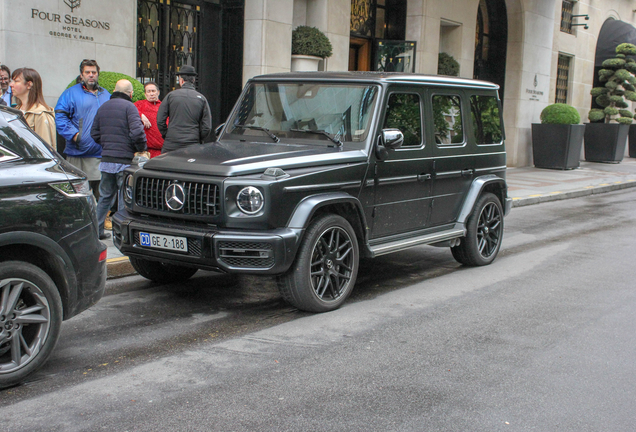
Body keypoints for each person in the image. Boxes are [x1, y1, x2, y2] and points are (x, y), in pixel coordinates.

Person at [91, 79, 147, 240]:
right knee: (124, 198)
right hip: (124, 160)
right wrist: (140, 148)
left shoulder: (103, 107)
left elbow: (94, 133)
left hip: (106, 160)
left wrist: (107, 144)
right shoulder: (130, 107)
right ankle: (122, 234)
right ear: (130, 93)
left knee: (104, 197)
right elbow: (137, 132)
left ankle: (97, 231)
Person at [55, 59, 111, 199]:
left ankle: (101, 220)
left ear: (98, 74)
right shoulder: (70, 93)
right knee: (79, 194)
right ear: (82, 75)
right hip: (78, 153)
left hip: (102, 153)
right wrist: (75, 136)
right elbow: (60, 117)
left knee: (102, 195)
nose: (91, 75)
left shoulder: (106, 95)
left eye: (94, 72)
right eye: (87, 72)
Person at [157, 65, 211, 153]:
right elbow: (207, 127)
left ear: (181, 80)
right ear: (193, 80)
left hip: (171, 143)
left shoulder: (171, 96)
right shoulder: (201, 98)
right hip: (192, 144)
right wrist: (198, 137)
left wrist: (167, 134)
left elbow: (160, 120)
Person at [10, 67, 56, 148]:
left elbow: (44, 150)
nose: (11, 84)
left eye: (16, 81)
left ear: (29, 85)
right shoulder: (16, 111)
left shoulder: (40, 114)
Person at [135, 81, 164, 157]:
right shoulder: (140, 104)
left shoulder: (164, 106)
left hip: (163, 150)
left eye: (153, 91)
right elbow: (129, 109)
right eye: (148, 91)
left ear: (158, 92)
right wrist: (141, 115)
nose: (151, 94)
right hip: (146, 151)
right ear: (145, 94)